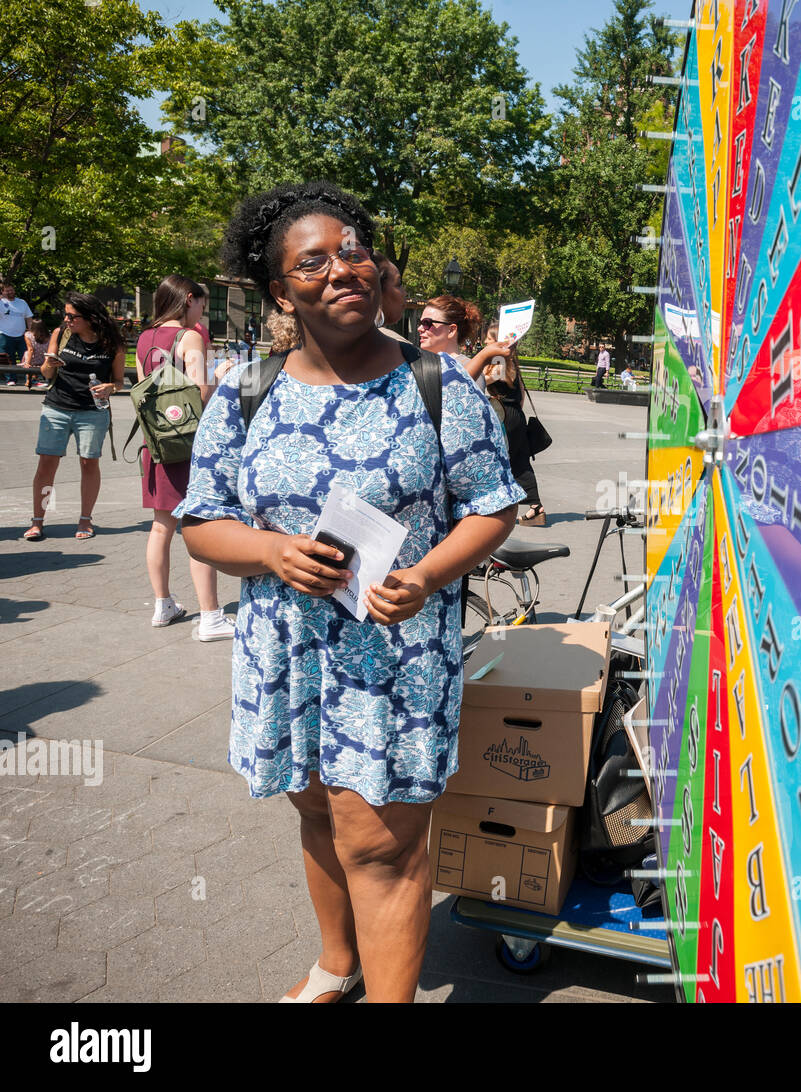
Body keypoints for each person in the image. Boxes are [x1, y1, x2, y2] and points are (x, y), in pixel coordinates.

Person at [174, 180, 524, 1003]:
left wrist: (430, 572)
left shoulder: (439, 384)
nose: (344, 268)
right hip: (285, 655)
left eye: (356, 251)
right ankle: (338, 963)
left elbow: (492, 507)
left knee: (383, 847)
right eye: (315, 261)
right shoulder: (246, 390)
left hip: (394, 658)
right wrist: (269, 551)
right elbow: (200, 521)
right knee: (317, 818)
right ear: (280, 290)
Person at [134, 276, 234, 639]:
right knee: (198, 524)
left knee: (161, 526)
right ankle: (210, 615)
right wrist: (220, 374)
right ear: (188, 299)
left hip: (156, 443)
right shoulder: (191, 337)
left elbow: (146, 388)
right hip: (189, 444)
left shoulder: (145, 337)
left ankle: (163, 605)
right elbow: (201, 390)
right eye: (201, 305)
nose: (201, 313)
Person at [24, 293, 125, 541]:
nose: (66, 319)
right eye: (65, 315)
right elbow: (46, 373)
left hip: (92, 413)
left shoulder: (113, 343)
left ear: (91, 318)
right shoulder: (61, 334)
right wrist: (50, 364)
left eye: (72, 316)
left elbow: (120, 381)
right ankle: (38, 521)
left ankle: (85, 520)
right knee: (47, 464)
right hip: (56, 408)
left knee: (88, 463)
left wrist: (110, 387)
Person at [479, 325, 545, 526]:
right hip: (515, 414)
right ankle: (536, 508)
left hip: (505, 415)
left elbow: (480, 380)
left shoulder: (499, 363)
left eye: (489, 340)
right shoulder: (511, 362)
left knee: (498, 459)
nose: (485, 344)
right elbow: (522, 394)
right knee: (519, 460)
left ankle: (495, 507)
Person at [1, 282, 34, 384]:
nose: (10, 292)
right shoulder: (1, 302)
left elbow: (28, 318)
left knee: (27, 357)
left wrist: (31, 331)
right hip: (5, 334)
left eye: (12, 290)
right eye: (7, 290)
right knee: (8, 358)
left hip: (22, 335)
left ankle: (29, 379)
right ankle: (11, 379)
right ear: (3, 292)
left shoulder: (22, 302)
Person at [21, 318, 50, 390]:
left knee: (28, 360)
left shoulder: (28, 335)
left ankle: (29, 380)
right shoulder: (50, 336)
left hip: (33, 358)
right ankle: (38, 380)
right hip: (44, 359)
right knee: (30, 361)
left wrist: (27, 363)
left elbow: (30, 350)